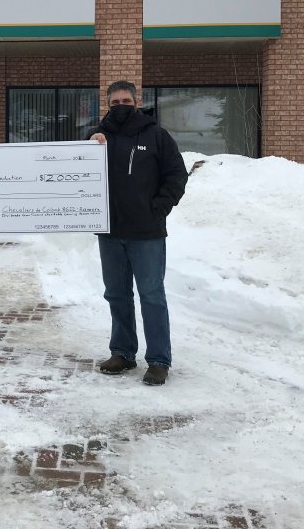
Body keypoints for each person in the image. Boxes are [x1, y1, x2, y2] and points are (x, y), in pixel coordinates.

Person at [88, 80, 187, 386]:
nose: (121, 106)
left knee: (152, 295)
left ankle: (158, 359)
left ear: (136, 101)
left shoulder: (156, 135)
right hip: (110, 232)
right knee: (117, 294)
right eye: (115, 102)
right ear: (108, 104)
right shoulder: (96, 137)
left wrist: (158, 208)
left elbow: (176, 174)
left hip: (147, 233)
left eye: (125, 101)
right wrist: (89, 143)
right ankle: (123, 352)